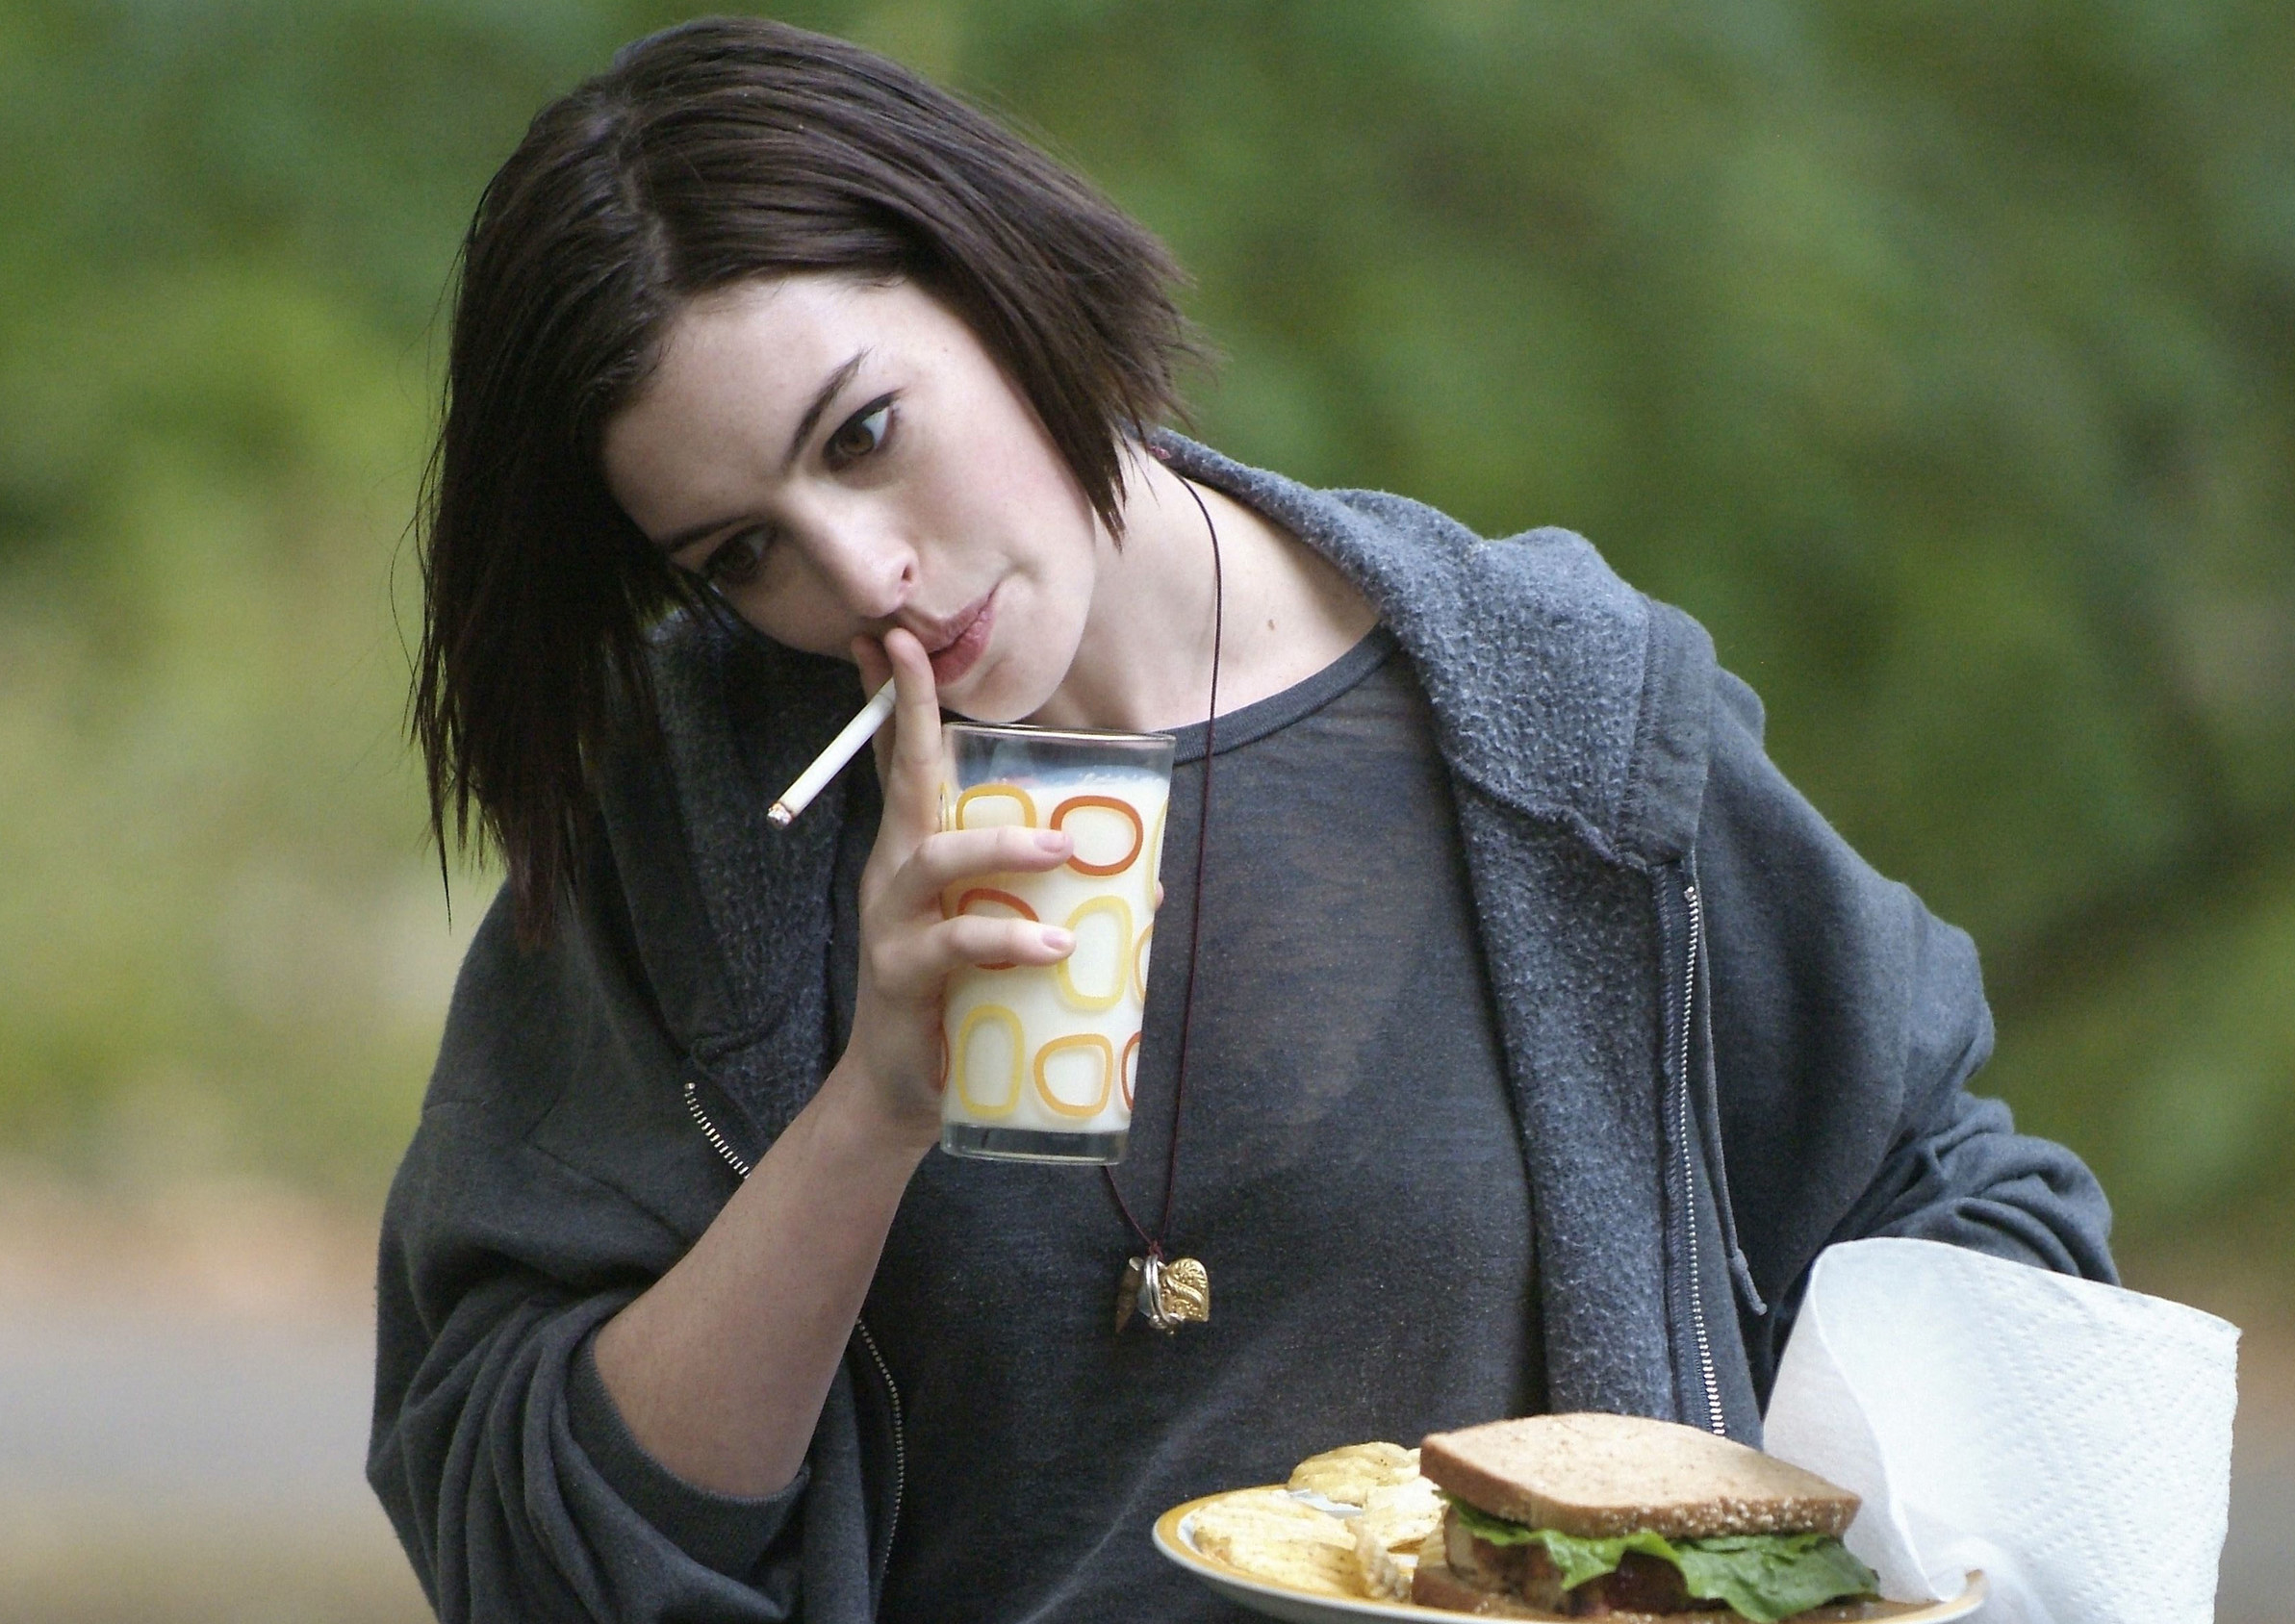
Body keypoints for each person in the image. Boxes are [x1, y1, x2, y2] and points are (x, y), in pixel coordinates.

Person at [369, 18, 2114, 1623]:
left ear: (993, 275)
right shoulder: (696, 817)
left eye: (869, 434)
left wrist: (1803, 1571)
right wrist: (872, 1111)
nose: (864, 579)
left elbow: (1960, 1199)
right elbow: (523, 1541)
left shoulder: (1549, 718)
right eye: (742, 553)